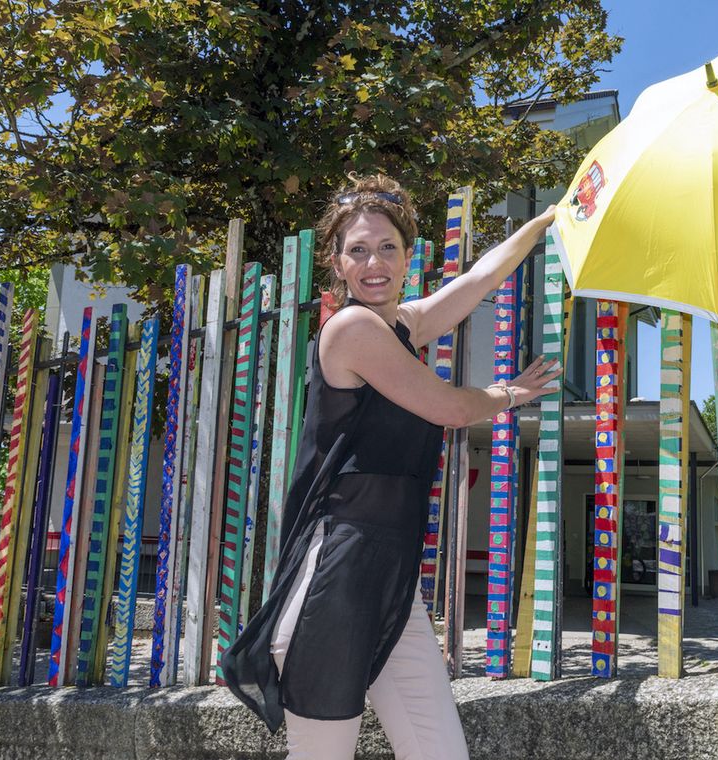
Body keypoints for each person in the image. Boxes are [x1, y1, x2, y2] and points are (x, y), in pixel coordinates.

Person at [222, 173, 561, 760]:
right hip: (335, 574)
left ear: (409, 259)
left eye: (387, 249)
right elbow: (449, 407)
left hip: (391, 582)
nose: (373, 263)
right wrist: (508, 393)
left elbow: (476, 281)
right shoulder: (352, 329)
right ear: (336, 263)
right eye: (358, 250)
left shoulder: (400, 324)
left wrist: (540, 225)